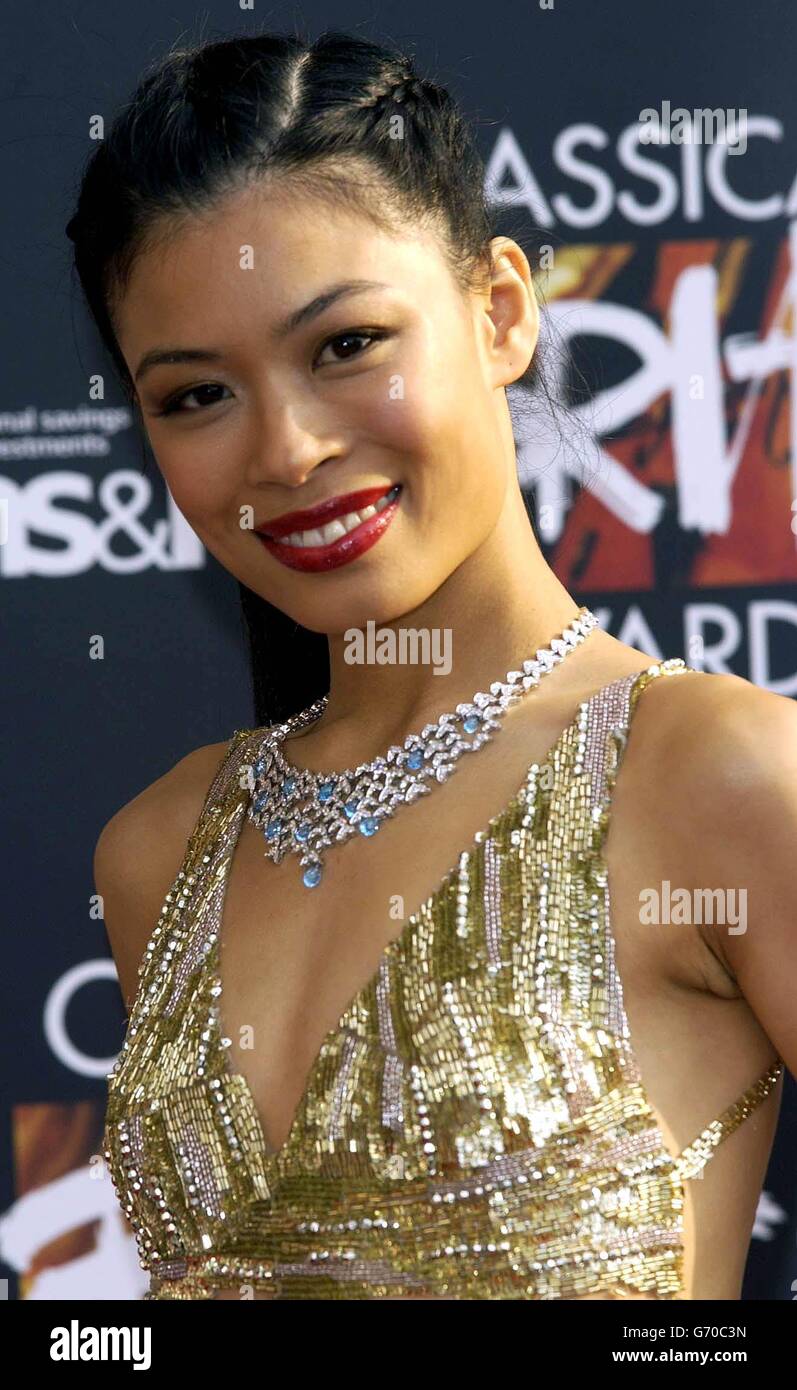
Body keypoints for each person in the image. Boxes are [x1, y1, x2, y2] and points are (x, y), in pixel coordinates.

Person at [68, 27, 795, 1301]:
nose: (285, 451)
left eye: (344, 344)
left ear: (500, 310)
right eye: (195, 396)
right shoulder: (156, 852)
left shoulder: (717, 778)